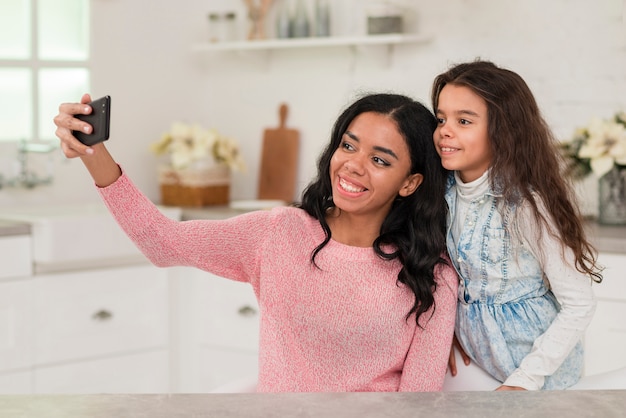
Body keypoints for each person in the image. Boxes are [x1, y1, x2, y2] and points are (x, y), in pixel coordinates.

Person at [54, 92, 458, 392]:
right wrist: (94, 152)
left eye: (380, 160)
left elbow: (417, 405)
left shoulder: (432, 274)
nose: (352, 164)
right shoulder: (280, 232)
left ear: (410, 182)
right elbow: (162, 242)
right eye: (348, 145)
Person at [431, 60, 603, 391]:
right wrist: (446, 331)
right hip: (479, 362)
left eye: (463, 121)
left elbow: (580, 303)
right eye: (441, 119)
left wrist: (525, 381)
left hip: (539, 374)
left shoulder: (524, 204)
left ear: (502, 131)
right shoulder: (441, 193)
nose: (444, 131)